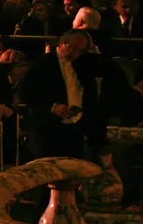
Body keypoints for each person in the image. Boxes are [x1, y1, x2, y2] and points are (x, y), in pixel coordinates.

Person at [21, 29, 111, 159]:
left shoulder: (84, 64)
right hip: (48, 129)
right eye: (74, 49)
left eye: (81, 50)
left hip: (75, 129)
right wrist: (52, 107)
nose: (76, 54)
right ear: (63, 43)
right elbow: (26, 93)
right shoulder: (44, 64)